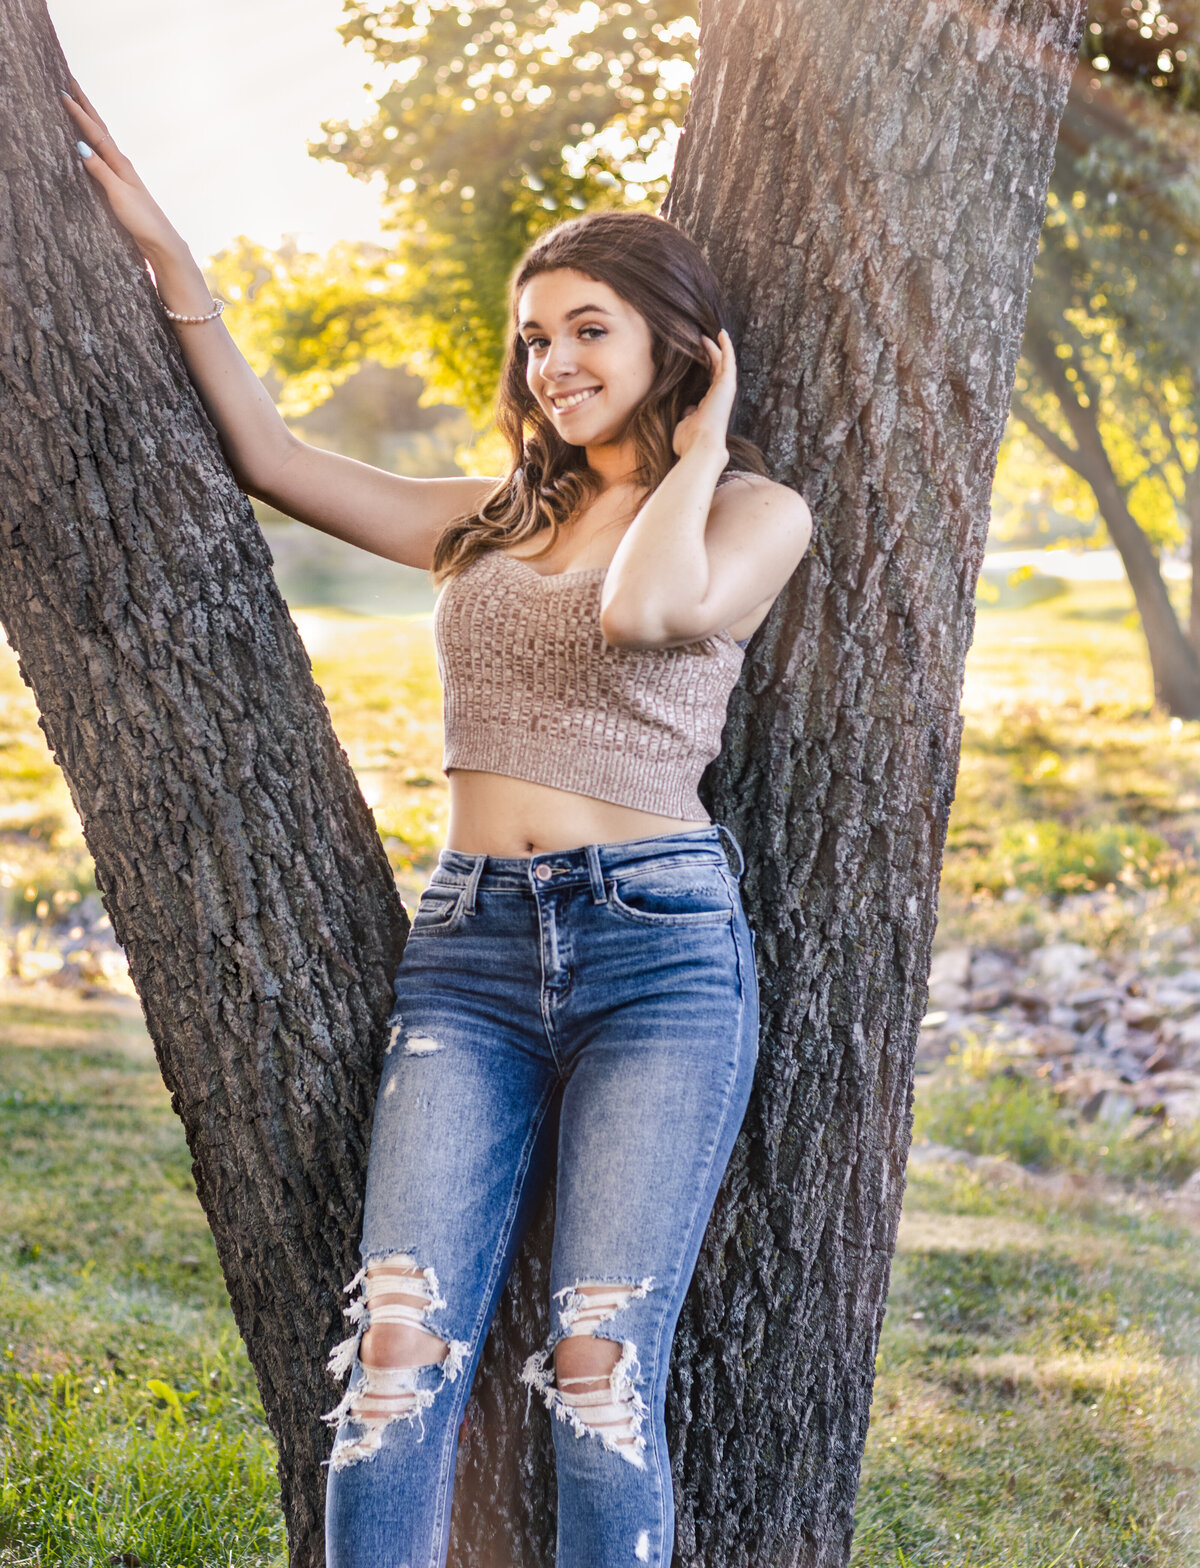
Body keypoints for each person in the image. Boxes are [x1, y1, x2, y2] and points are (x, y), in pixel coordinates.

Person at [63, 82, 812, 1568]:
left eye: (590, 326)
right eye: (535, 338)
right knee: (394, 1358)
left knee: (600, 1376)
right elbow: (276, 462)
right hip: (469, 951)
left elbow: (647, 608)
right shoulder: (488, 520)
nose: (553, 362)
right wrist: (173, 266)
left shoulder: (751, 514)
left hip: (659, 957)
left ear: (677, 340)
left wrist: (707, 438)